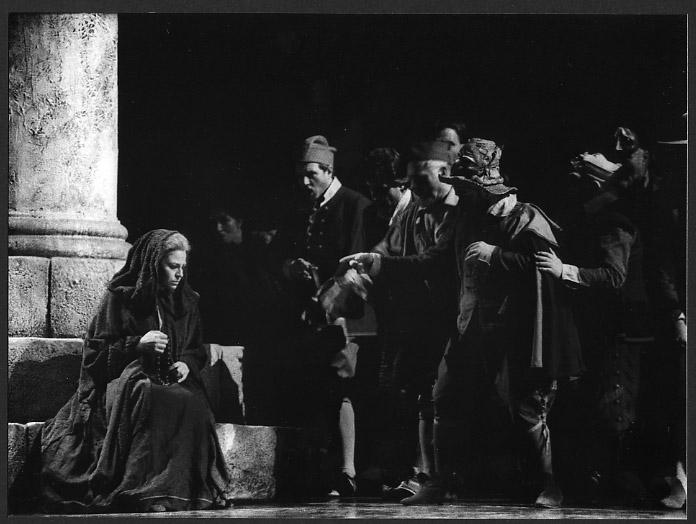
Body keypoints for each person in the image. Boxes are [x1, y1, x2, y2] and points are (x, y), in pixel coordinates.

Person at [340, 137, 583, 508]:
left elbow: (543, 269)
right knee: (445, 398)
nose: (462, 193)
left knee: (526, 410)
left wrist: (496, 255)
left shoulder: (522, 217)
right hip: (470, 324)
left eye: (468, 186)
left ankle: (549, 484)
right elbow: (432, 260)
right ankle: (440, 482)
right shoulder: (465, 220)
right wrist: (379, 263)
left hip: (515, 329)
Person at [40, 229, 230, 513]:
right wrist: (137, 345)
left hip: (169, 378)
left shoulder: (186, 302)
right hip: (123, 380)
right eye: (172, 267)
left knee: (194, 404)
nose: (179, 274)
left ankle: (180, 490)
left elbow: (194, 349)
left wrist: (186, 364)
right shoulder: (120, 298)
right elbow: (95, 356)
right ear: (153, 265)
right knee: (148, 395)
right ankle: (144, 490)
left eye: (183, 267)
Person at [535, 151, 651, 505]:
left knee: (612, 408)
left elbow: (613, 277)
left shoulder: (614, 222)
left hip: (618, 330)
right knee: (594, 406)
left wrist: (564, 271)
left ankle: (617, 488)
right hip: (599, 327)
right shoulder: (592, 219)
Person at [371, 141, 459, 501]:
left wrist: (381, 265)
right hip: (425, 318)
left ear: (445, 173)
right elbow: (390, 247)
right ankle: (427, 476)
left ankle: (445, 478)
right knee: (424, 395)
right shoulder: (417, 211)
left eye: (421, 180)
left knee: (446, 398)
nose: (414, 189)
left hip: (459, 317)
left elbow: (433, 261)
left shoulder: (457, 212)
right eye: (411, 182)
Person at [285, 135, 372, 497]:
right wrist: (294, 268)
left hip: (346, 313)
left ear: (329, 171)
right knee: (318, 388)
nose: (305, 182)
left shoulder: (354, 204)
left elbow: (357, 262)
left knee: (343, 385)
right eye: (301, 176)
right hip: (312, 312)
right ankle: (327, 471)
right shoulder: (307, 207)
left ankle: (347, 470)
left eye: (312, 175)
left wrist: (332, 298)